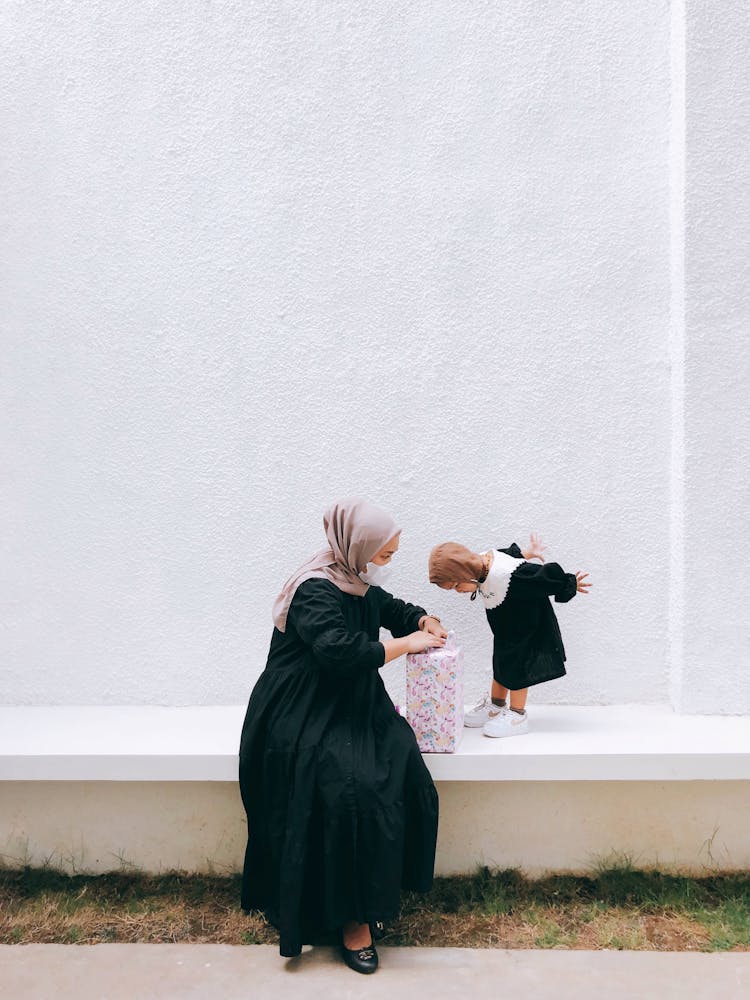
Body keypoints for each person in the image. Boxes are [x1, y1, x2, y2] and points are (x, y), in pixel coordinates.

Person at [239, 497, 446, 973]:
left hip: (351, 700)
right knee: (349, 786)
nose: (387, 565)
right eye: (386, 555)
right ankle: (353, 921)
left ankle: (377, 892)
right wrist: (406, 644)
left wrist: (422, 620)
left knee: (399, 761)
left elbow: (391, 606)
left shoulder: (357, 580)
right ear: (358, 547)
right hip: (300, 707)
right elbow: (338, 651)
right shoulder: (316, 589)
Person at [428, 534, 591, 738]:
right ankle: (496, 706)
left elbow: (537, 575)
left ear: (466, 572)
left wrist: (568, 582)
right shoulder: (481, 561)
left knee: (518, 670)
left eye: (455, 586)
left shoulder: (510, 575)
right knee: (500, 665)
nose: (457, 591)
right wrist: (528, 552)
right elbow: (510, 554)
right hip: (506, 627)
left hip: (527, 628)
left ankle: (517, 714)